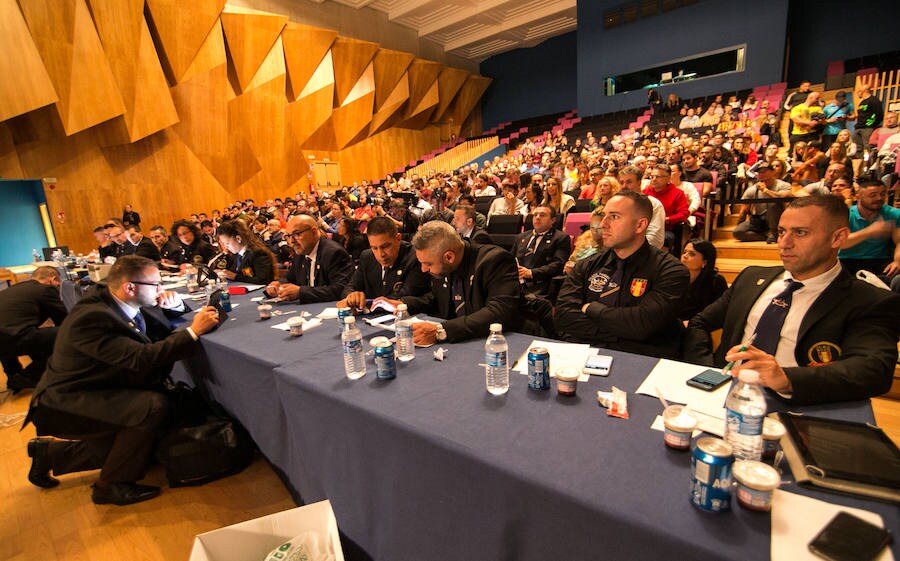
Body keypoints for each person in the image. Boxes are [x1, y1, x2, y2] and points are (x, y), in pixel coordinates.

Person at [24, 256, 220, 504]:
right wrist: (193, 331)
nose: (161, 289)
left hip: (101, 387)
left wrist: (175, 305)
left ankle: (50, 454)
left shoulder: (114, 298)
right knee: (151, 408)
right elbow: (141, 357)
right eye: (156, 285)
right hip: (68, 400)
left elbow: (152, 330)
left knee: (142, 444)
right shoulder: (93, 317)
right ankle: (112, 485)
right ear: (130, 287)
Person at [685, 196, 900, 405]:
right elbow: (699, 323)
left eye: (800, 232)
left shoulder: (870, 301)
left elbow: (873, 370)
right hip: (727, 395)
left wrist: (787, 379)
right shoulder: (750, 278)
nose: (784, 243)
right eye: (781, 232)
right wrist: (707, 369)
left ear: (838, 238)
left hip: (804, 406)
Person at [554, 191, 690, 359]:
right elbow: (563, 316)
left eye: (615, 217)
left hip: (642, 362)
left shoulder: (671, 271)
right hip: (585, 356)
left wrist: (592, 309)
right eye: (604, 216)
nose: (603, 224)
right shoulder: (587, 264)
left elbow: (642, 324)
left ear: (640, 225)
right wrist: (622, 333)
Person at [384, 221, 523, 344]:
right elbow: (436, 298)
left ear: (449, 257)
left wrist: (441, 330)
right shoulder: (444, 265)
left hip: (498, 343)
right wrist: (405, 304)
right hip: (462, 342)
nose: (423, 269)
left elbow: (499, 312)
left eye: (427, 264)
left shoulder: (495, 260)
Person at [337, 216, 430, 311]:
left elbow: (404, 296)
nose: (381, 254)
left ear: (398, 238)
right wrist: (351, 297)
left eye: (385, 246)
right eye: (374, 248)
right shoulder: (367, 256)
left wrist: (366, 302)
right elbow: (350, 287)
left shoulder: (415, 258)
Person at [0, 267, 66, 392]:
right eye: (58, 283)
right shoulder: (46, 289)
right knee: (63, 334)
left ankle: (13, 375)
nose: (58, 286)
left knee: (9, 332)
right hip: (15, 336)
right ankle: (28, 377)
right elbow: (64, 321)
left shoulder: (15, 288)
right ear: (53, 279)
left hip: (5, 338)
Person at [265, 214, 354, 304]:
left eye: (297, 234)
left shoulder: (334, 252)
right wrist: (278, 284)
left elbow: (340, 290)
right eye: (288, 236)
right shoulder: (300, 252)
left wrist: (301, 292)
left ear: (314, 232)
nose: (292, 241)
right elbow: (290, 278)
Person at [838, 180, 900, 278]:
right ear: (858, 197)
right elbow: (840, 243)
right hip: (847, 260)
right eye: (873, 195)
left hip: (879, 260)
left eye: (882, 194)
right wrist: (870, 231)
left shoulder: (893, 214)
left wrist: (897, 261)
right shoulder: (846, 214)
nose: (879, 198)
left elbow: (899, 242)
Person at [512, 206, 571, 297]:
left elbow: (558, 265)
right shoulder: (521, 237)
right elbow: (510, 259)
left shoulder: (560, 238)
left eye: (542, 215)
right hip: (516, 282)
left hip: (540, 285)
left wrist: (531, 273)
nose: (538, 217)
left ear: (553, 220)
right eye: (535, 215)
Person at [733, 162, 792, 243]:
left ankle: (774, 233)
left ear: (773, 172)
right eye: (759, 172)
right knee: (738, 233)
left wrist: (765, 190)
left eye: (764, 171)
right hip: (759, 221)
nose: (761, 174)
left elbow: (783, 196)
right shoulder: (752, 189)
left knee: (772, 203)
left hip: (778, 220)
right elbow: (743, 211)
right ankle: (766, 236)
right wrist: (739, 225)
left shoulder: (783, 185)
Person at [642, 164, 690, 249]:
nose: (653, 179)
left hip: (665, 229)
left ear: (668, 178)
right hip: (643, 227)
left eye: (657, 177)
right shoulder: (645, 192)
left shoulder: (677, 193)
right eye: (652, 176)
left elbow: (684, 214)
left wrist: (667, 219)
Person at [214, 219, 276, 285]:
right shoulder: (237, 255)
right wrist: (224, 273)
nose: (226, 247)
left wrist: (235, 276)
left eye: (227, 243)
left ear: (238, 238)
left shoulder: (258, 253)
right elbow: (234, 272)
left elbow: (263, 280)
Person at [679, 239, 727, 322]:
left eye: (691, 254)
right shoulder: (674, 277)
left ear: (704, 262)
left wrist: (691, 323)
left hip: (699, 326)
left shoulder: (716, 282)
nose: (685, 256)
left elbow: (719, 312)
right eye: (684, 252)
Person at [617, 166, 665, 248]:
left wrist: (630, 248)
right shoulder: (616, 204)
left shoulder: (653, 204)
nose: (624, 186)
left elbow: (655, 237)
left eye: (629, 182)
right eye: (621, 183)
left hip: (643, 251)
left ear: (639, 182)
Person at [564, 207, 604, 274]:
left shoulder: (610, 244)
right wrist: (568, 266)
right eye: (592, 227)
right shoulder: (585, 237)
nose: (595, 231)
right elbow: (572, 259)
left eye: (599, 228)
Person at [853, 84, 883, 150]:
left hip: (868, 128)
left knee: (867, 146)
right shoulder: (862, 102)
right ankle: (860, 159)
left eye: (859, 91)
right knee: (857, 147)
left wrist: (871, 124)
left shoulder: (874, 100)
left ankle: (868, 160)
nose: (858, 93)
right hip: (858, 127)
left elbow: (879, 114)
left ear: (863, 91)